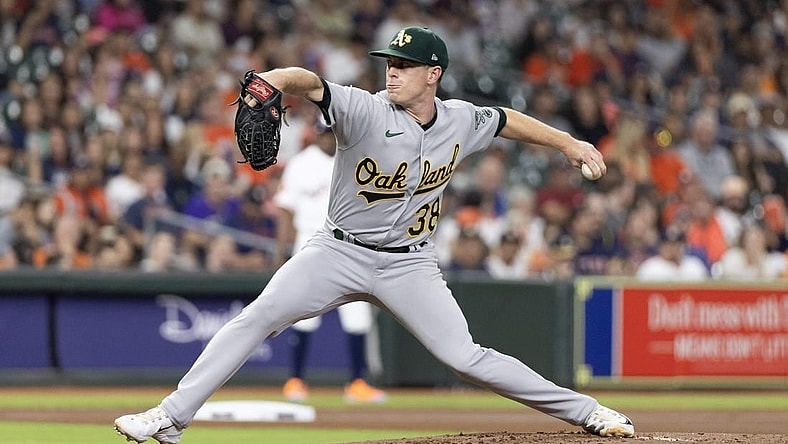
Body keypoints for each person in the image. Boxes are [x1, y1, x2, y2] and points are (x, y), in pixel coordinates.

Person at [113, 26, 635, 443]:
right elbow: (306, 81)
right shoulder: (363, 109)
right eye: (389, 63)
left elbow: (503, 120)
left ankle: (589, 413)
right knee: (258, 317)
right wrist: (270, 80)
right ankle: (170, 418)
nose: (392, 72)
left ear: (434, 74)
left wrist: (567, 142)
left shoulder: (458, 119)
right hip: (336, 252)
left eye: (404, 66)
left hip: (410, 264)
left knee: (465, 357)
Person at [275, 122, 386, 404]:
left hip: (351, 246)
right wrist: (282, 251)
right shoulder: (301, 163)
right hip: (309, 243)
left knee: (358, 314)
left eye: (332, 133)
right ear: (316, 134)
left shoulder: (355, 159)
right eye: (324, 133)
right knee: (302, 314)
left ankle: (357, 383)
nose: (328, 138)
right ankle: (295, 380)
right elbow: (286, 209)